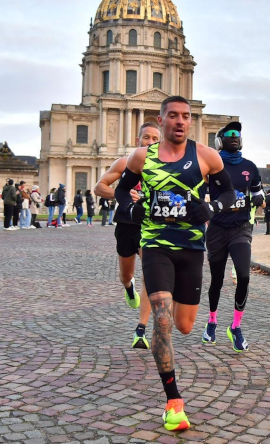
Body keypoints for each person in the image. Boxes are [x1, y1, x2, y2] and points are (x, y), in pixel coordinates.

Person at [114, 96, 236, 431]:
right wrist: (132, 210)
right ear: (162, 119)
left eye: (186, 116)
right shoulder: (142, 157)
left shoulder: (207, 156)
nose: (180, 121)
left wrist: (211, 210)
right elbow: (124, 192)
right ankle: (173, 401)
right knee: (163, 320)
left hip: (192, 249)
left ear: (191, 121)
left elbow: (229, 195)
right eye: (173, 116)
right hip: (155, 246)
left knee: (184, 325)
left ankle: (172, 393)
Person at [94, 121, 161, 350]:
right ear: (137, 141)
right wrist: (121, 193)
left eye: (155, 139)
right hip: (125, 224)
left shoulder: (165, 169)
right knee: (126, 275)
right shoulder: (125, 163)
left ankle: (141, 329)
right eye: (146, 138)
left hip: (149, 226)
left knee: (151, 275)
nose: (150, 142)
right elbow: (99, 187)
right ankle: (128, 287)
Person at [202, 122, 264, 353]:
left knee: (244, 276)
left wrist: (258, 198)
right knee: (216, 281)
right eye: (229, 134)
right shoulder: (211, 166)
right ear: (219, 141)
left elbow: (257, 191)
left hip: (240, 228)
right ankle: (212, 321)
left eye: (237, 134)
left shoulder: (250, 166)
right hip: (217, 229)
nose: (234, 137)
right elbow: (199, 192)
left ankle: (236, 327)